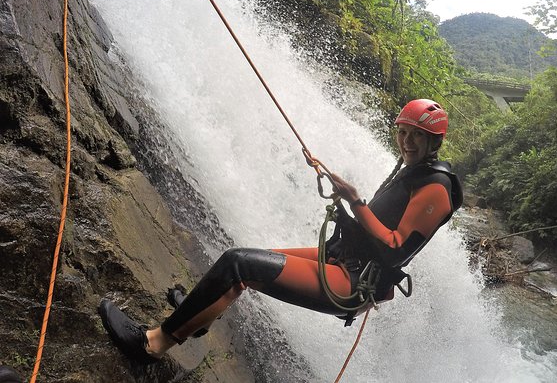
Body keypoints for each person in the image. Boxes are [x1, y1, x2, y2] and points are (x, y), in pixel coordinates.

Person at [99, 99, 463, 364]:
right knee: (260, 258)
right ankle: (199, 318)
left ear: (435, 141)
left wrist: (355, 201)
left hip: (354, 282)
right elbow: (378, 226)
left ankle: (152, 344)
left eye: (417, 135)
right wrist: (347, 200)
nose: (407, 142)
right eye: (403, 133)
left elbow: (395, 249)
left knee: (239, 265)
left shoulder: (436, 186)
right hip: (343, 260)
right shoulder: (411, 171)